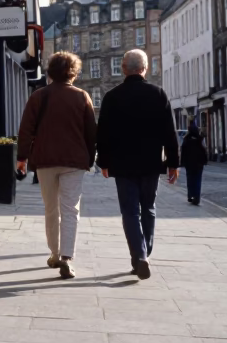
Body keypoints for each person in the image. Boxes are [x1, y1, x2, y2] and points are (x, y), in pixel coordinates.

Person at [95, 50, 179, 280]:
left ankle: (139, 256)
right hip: (151, 162)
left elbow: (102, 133)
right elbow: (169, 133)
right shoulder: (158, 94)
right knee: (148, 208)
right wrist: (173, 163)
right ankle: (144, 254)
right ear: (145, 69)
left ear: (123, 69)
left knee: (130, 211)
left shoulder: (112, 97)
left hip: (122, 164)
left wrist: (103, 161)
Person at [16, 52, 97, 280]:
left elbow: (26, 130)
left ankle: (54, 253)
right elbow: (91, 133)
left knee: (51, 208)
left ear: (50, 71)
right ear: (73, 72)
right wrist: (90, 159)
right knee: (71, 210)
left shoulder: (39, 96)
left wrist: (22, 157)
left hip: (45, 160)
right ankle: (67, 258)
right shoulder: (82, 97)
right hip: (74, 161)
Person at [181, 125, 208, 206]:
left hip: (189, 164)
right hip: (199, 164)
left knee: (190, 179)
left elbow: (183, 151)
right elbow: (204, 150)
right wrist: (205, 161)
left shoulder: (186, 139)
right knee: (197, 180)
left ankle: (190, 196)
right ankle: (197, 197)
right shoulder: (200, 139)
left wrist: (182, 162)